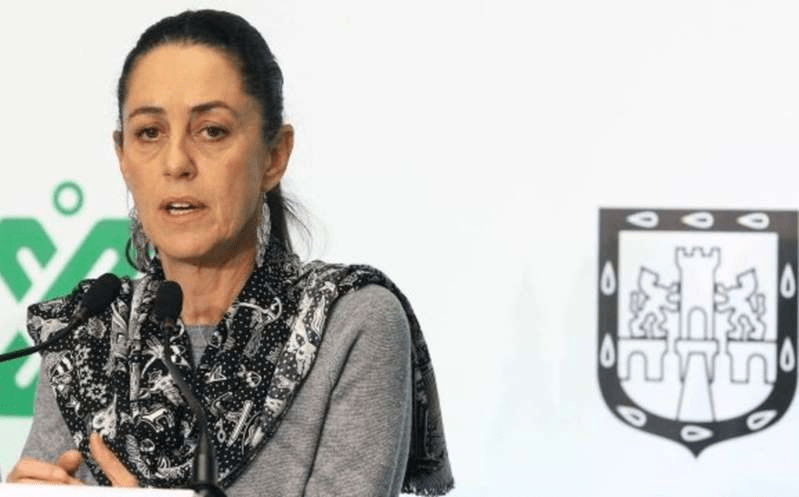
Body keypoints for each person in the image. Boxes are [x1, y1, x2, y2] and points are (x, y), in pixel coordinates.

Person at [7, 10, 453, 496]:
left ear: (275, 156)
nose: (176, 162)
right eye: (149, 132)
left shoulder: (350, 322)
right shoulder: (86, 333)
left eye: (212, 131)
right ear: (123, 158)